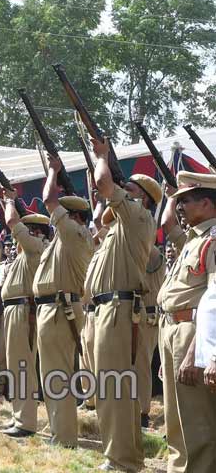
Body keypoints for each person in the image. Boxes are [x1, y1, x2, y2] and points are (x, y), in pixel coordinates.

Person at [86, 138, 159, 473]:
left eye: (126, 187)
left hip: (119, 309)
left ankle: (122, 460)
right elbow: (101, 207)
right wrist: (100, 162)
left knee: (115, 387)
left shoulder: (139, 217)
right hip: (104, 310)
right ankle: (122, 456)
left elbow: (104, 184)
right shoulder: (118, 225)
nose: (119, 190)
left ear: (141, 197)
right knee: (109, 387)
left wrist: (103, 156)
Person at [34, 155, 94, 449]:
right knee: (51, 373)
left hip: (62, 309)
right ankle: (59, 431)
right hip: (52, 309)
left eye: (64, 213)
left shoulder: (76, 234)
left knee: (57, 374)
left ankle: (65, 436)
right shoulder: (64, 238)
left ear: (76, 217)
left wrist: (53, 171)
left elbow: (48, 199)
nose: (57, 218)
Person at [158, 171, 216, 473]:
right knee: (176, 421)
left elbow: (214, 299)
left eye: (186, 201)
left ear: (207, 203)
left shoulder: (213, 240)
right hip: (171, 330)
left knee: (197, 423)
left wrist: (198, 351)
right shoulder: (193, 239)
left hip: (192, 333)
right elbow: (167, 224)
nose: (179, 207)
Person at [0, 188, 49, 438]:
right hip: (15, 310)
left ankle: (26, 421)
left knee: (23, 367)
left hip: (24, 310)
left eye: (27, 229)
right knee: (16, 366)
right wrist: (5, 200)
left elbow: (11, 221)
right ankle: (20, 417)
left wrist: (9, 202)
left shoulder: (37, 246)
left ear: (36, 232)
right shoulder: (26, 251)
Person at [136, 244, 165, 429]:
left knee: (142, 365)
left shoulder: (155, 257)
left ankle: (143, 412)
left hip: (149, 317)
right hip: (137, 316)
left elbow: (147, 246)